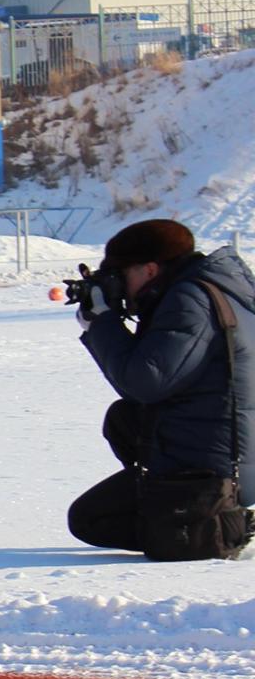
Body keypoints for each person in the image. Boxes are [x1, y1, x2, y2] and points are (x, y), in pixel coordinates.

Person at [69, 217, 255, 558]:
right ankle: (179, 503)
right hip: (234, 444)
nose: (120, 286)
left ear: (149, 270)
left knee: (88, 519)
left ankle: (210, 523)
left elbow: (145, 382)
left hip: (223, 464)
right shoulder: (213, 285)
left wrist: (103, 322)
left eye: (121, 275)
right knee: (124, 420)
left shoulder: (189, 300)